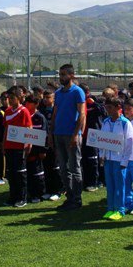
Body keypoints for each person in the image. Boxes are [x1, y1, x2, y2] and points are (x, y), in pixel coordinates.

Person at [51, 64, 87, 211]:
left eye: (64, 74)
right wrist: (51, 132)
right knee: (63, 169)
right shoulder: (59, 93)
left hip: (71, 136)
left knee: (74, 167)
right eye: (60, 74)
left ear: (72, 76)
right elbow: (55, 113)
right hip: (58, 134)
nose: (61, 77)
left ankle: (77, 199)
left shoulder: (78, 92)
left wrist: (75, 135)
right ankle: (69, 197)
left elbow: (82, 114)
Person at [98, 97, 133, 221]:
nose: (107, 110)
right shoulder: (106, 122)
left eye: (109, 107)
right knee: (110, 185)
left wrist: (125, 161)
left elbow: (129, 144)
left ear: (118, 108)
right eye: (106, 107)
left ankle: (120, 210)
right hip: (108, 159)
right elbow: (102, 139)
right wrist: (101, 155)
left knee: (120, 185)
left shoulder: (125, 123)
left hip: (119, 160)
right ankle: (110, 208)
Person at [3, 86, 32, 207]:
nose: (10, 100)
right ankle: (12, 196)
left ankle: (22, 198)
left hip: (19, 147)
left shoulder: (24, 111)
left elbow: (28, 129)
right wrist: (3, 144)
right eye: (9, 98)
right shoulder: (8, 111)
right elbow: (6, 129)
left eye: (12, 98)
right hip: (9, 146)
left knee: (20, 173)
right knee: (11, 173)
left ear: (19, 98)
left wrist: (28, 145)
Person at [24, 95, 48, 203]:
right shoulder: (25, 115)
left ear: (36, 104)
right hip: (26, 151)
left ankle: (39, 194)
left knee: (37, 174)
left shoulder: (40, 117)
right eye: (26, 103)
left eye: (30, 103)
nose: (27, 105)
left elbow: (44, 135)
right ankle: (29, 193)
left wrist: (42, 150)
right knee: (27, 173)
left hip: (37, 152)